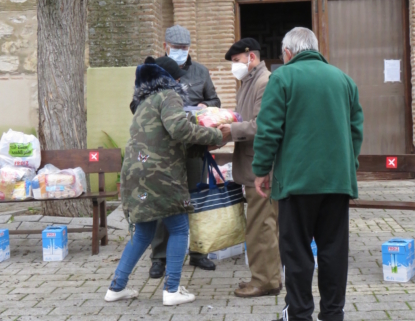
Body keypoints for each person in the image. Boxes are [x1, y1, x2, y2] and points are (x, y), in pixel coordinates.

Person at [251, 27, 364, 321]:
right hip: (337, 183)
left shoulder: (283, 78)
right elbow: (356, 131)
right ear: (315, 48)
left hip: (296, 184)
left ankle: (299, 314)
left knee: (297, 252)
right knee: (334, 251)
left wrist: (261, 170)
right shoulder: (343, 79)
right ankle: (333, 314)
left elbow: (268, 129)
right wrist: (348, 165)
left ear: (288, 53)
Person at [105, 56, 223, 306]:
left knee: (143, 234)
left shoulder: (143, 102)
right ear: (171, 79)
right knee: (179, 228)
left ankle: (116, 287)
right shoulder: (169, 95)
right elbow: (178, 129)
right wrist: (214, 134)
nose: (182, 81)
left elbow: (161, 133)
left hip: (135, 174)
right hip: (161, 175)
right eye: (179, 78)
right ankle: (172, 290)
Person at [150, 25, 221, 278]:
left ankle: (198, 252)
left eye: (184, 48)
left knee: (195, 198)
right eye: (176, 48)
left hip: (194, 147)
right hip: (165, 149)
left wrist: (205, 105)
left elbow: (215, 100)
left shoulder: (200, 71)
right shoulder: (155, 71)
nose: (181, 52)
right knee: (164, 200)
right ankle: (159, 257)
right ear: (165, 46)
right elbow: (139, 104)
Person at [218, 38, 281, 298]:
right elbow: (244, 118)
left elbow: (260, 125)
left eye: (236, 61)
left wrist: (231, 129)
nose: (234, 66)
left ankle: (266, 282)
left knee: (262, 226)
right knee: (257, 225)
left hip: (261, 167)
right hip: (250, 163)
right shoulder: (249, 81)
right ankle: (263, 277)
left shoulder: (264, 82)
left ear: (250, 57)